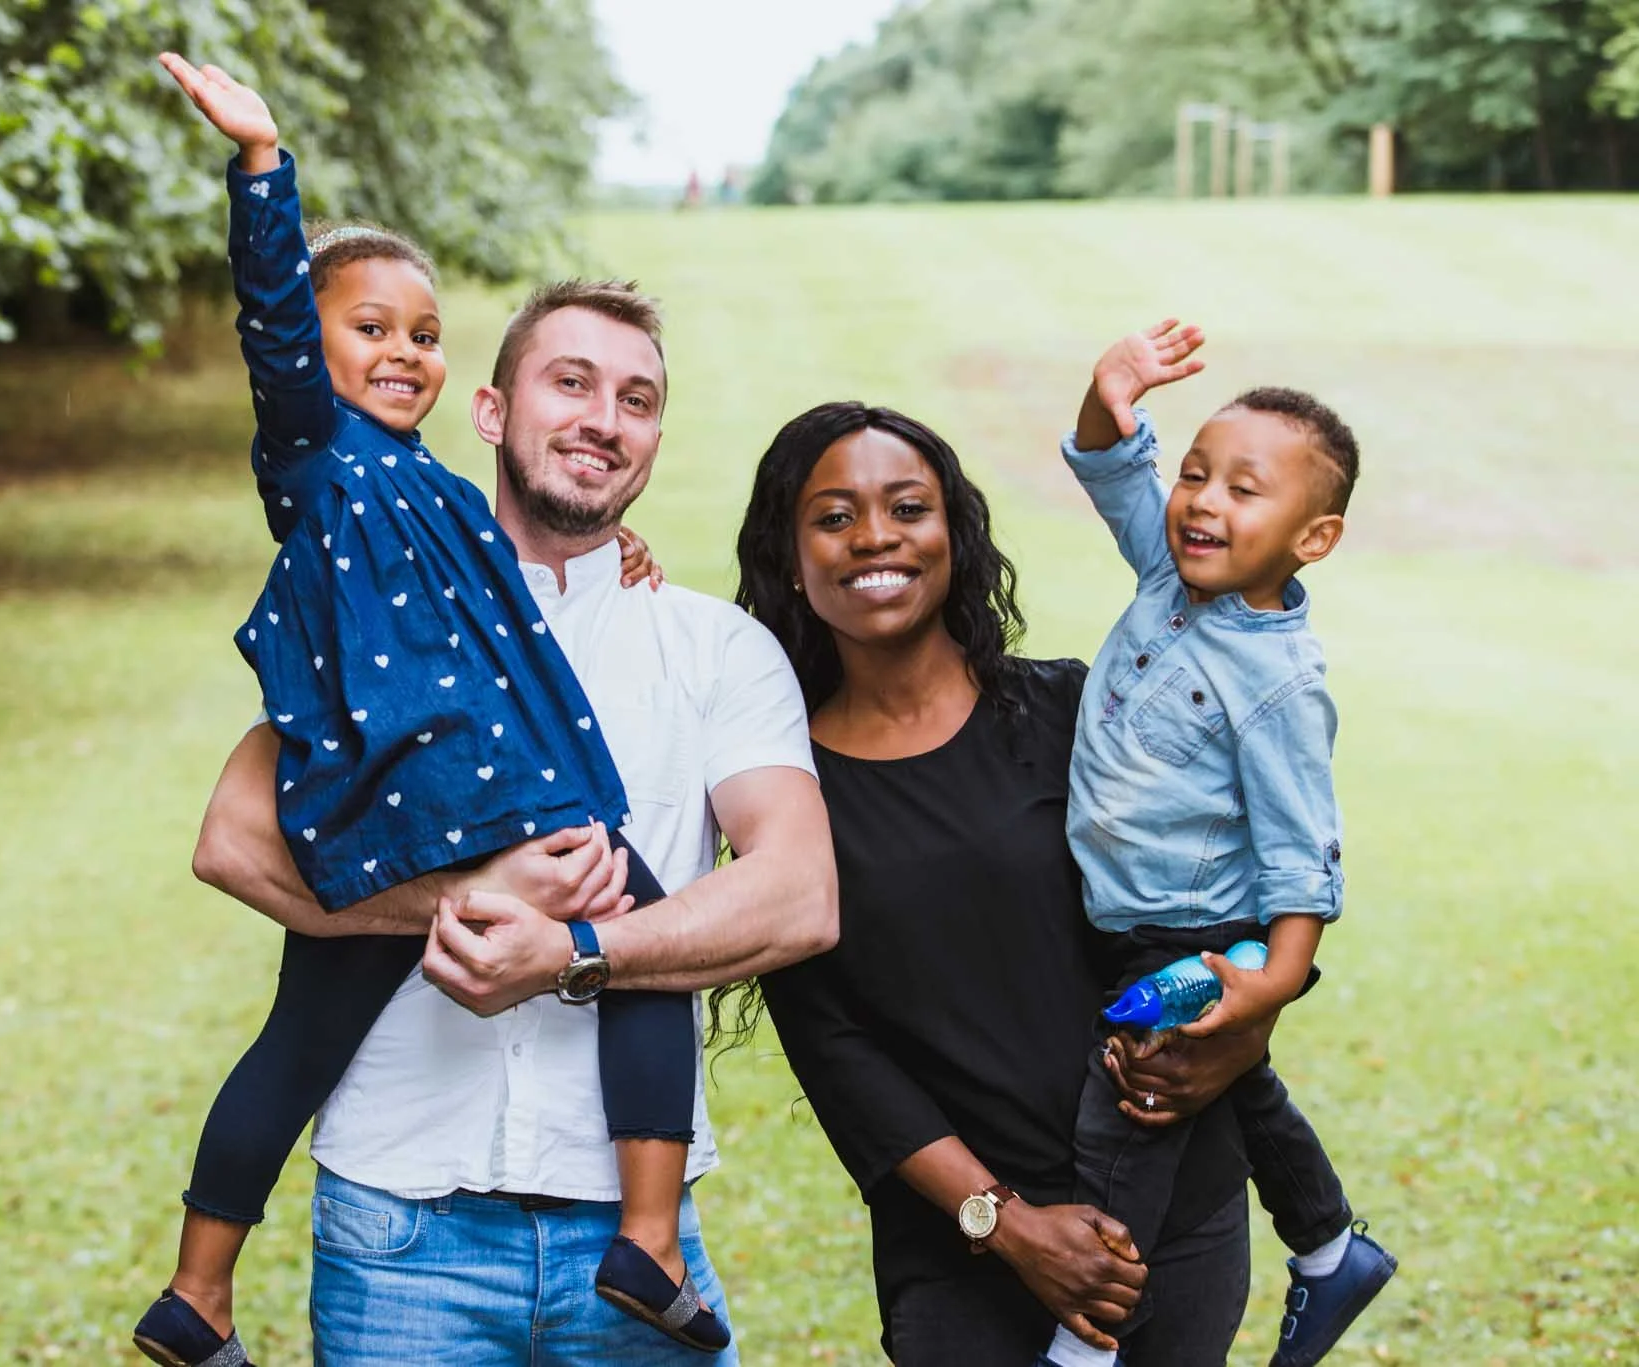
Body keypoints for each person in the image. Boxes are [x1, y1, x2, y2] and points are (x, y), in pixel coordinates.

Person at [137, 54, 732, 1366]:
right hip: (462, 782)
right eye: (370, 327)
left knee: (303, 1033)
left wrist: (624, 553)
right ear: (311, 349)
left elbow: (514, 582)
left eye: (421, 333)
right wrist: (261, 165)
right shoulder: (314, 456)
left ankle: (197, 1292)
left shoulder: (441, 494)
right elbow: (273, 317)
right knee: (636, 933)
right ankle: (646, 1237)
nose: (402, 350)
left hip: (380, 805)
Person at [185, 262, 839, 1360]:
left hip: (631, 1237)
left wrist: (573, 949)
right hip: (398, 1231)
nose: (603, 419)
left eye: (636, 399)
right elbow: (233, 840)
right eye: (570, 382)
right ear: (489, 412)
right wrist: (474, 892)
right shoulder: (385, 604)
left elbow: (799, 895)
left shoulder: (715, 647)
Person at [738, 401, 1277, 1365]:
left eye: (909, 507)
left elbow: (1208, 896)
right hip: (962, 1255)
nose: (875, 536)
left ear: (956, 534)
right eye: (834, 517)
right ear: (788, 555)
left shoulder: (1076, 708)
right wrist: (1005, 1221)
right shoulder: (781, 790)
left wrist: (1236, 1035)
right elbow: (835, 1047)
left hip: (1171, 1217)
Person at [1042, 321, 1396, 1367]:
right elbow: (1110, 466)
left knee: (1135, 1096)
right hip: (1128, 916)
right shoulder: (1168, 573)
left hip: (1194, 936)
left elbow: (1301, 850)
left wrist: (1270, 983)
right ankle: (1330, 1248)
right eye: (1195, 473)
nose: (1201, 500)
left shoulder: (1280, 682)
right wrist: (1108, 393)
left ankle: (1087, 1337)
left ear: (1313, 537)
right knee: (1242, 1087)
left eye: (1245, 489)